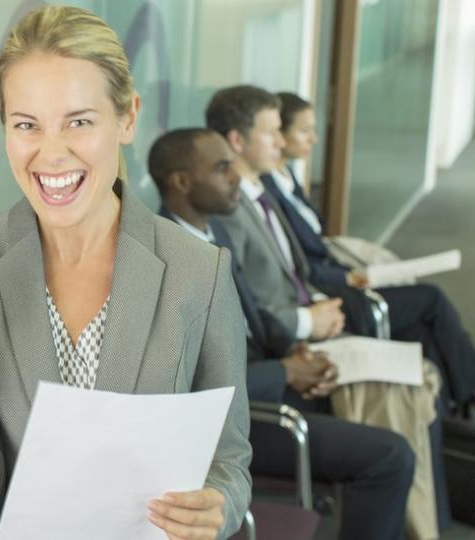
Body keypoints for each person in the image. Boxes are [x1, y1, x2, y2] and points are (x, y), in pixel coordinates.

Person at [0, 7, 250, 538]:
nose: (51, 154)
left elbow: (230, 457)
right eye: (26, 125)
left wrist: (219, 503)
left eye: (79, 121)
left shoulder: (200, 271)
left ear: (127, 118)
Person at [149, 127, 433, 539]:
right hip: (240, 422)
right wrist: (285, 371)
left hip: (269, 378)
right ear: (181, 181)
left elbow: (255, 317)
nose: (236, 178)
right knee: (391, 457)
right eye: (223, 168)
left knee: (402, 388)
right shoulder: (166, 260)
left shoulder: (217, 233)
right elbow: (191, 384)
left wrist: (295, 350)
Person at [268, 91, 475, 416]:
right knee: (431, 300)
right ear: (277, 135)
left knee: (421, 333)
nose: (314, 139)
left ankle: (447, 411)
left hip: (340, 274)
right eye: (304, 130)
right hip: (331, 292)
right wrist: (347, 276)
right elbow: (300, 264)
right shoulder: (265, 191)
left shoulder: (286, 177)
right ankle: (467, 396)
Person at [204, 85, 347, 346]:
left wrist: (319, 306)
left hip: (311, 322)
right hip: (282, 344)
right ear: (237, 141)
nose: (281, 143)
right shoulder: (226, 210)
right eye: (272, 134)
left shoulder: (263, 190)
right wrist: (308, 321)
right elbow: (241, 305)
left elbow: (294, 274)